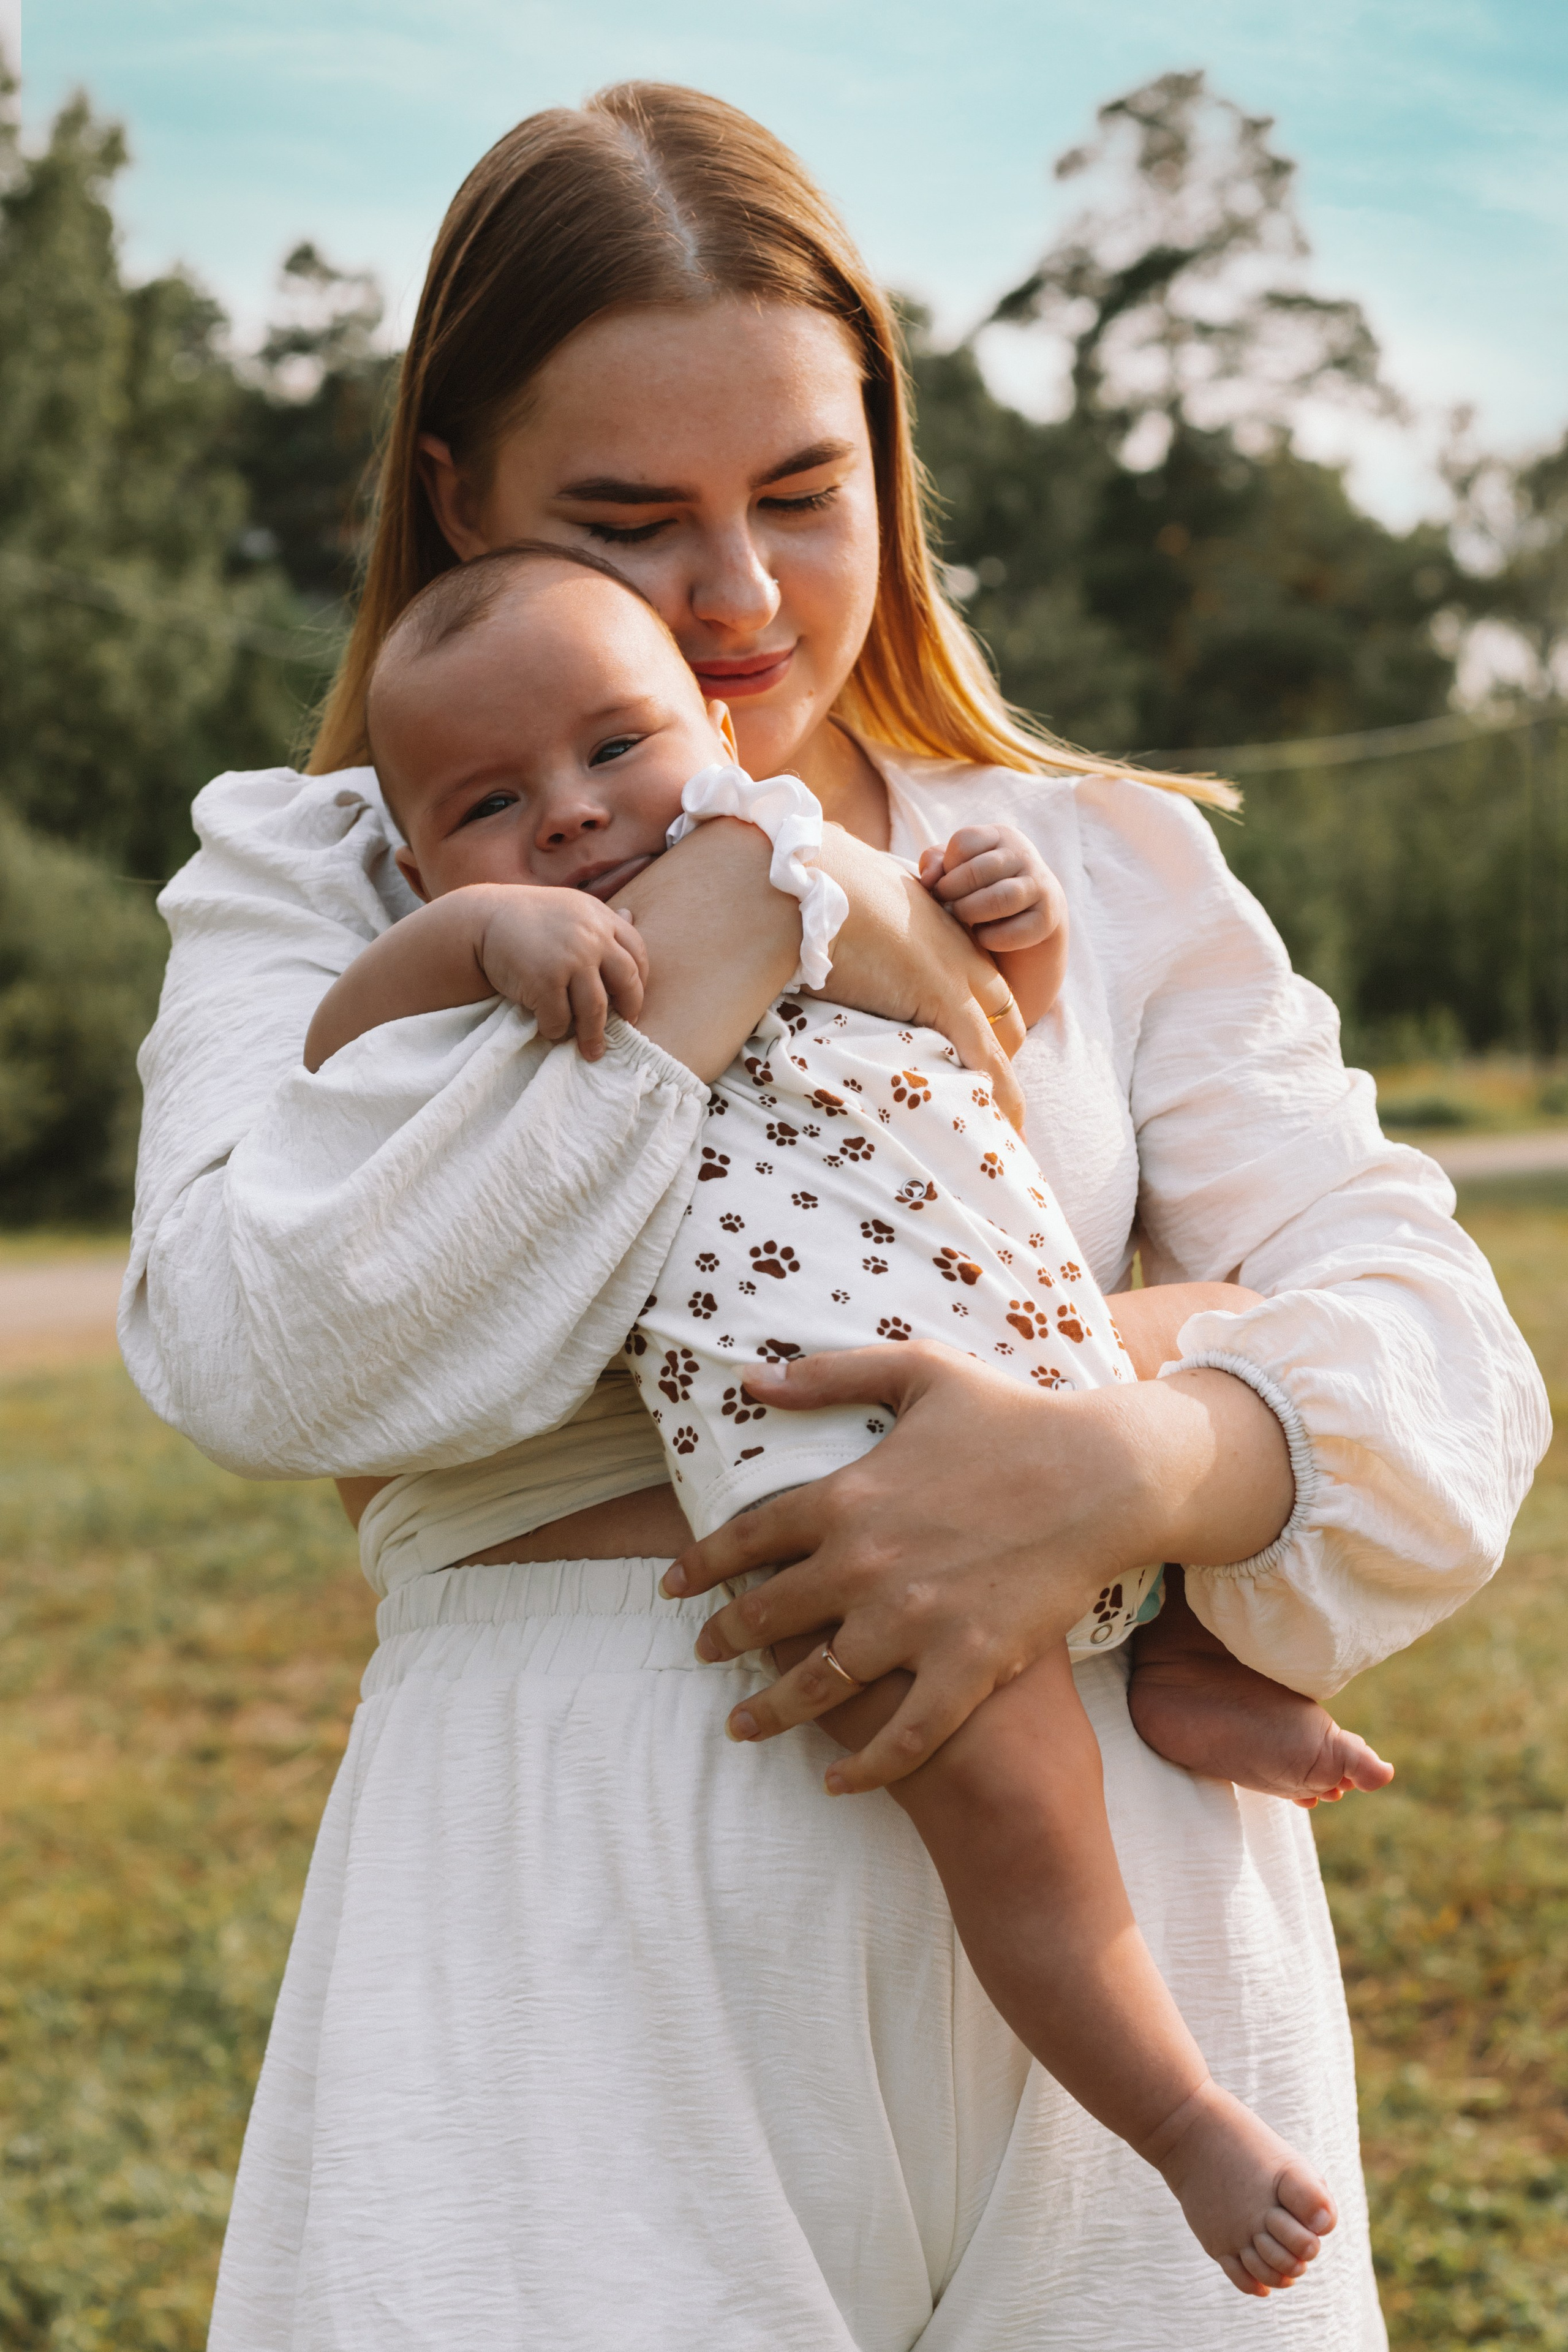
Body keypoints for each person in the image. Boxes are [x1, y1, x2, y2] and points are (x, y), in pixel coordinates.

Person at [121, 82, 1548, 2350]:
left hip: (1135, 1899)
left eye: (806, 491)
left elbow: (1447, 1347)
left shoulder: (1097, 862)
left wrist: (1137, 1469)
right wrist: (733, 928)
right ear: (456, 493)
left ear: (893, 449)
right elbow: (259, 1347)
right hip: (570, 1917)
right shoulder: (342, 882)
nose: (740, 597)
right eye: (631, 519)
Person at [311, 535, 1399, 2292]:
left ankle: (1209, 1658)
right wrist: (473, 939)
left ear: (707, 732)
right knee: (1012, 1794)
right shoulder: (492, 966)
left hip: (1016, 1326)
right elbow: (331, 1061)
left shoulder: (809, 868)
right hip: (827, 1426)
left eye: (613, 750)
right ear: (411, 850)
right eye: (490, 804)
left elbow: (991, 1050)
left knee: (1250, 1349)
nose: (575, 820)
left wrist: (1012, 940)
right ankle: (1179, 2113)